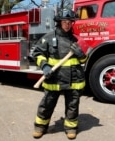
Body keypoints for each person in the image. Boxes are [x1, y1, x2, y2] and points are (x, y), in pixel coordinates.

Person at [31, 9, 87, 139]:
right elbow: (37, 53)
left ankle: (71, 127)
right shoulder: (49, 38)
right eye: (65, 22)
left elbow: (84, 60)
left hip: (74, 78)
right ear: (59, 22)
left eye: (70, 22)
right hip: (54, 78)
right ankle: (40, 127)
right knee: (47, 104)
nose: (68, 24)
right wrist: (44, 66)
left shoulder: (77, 40)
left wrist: (81, 55)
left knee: (72, 105)